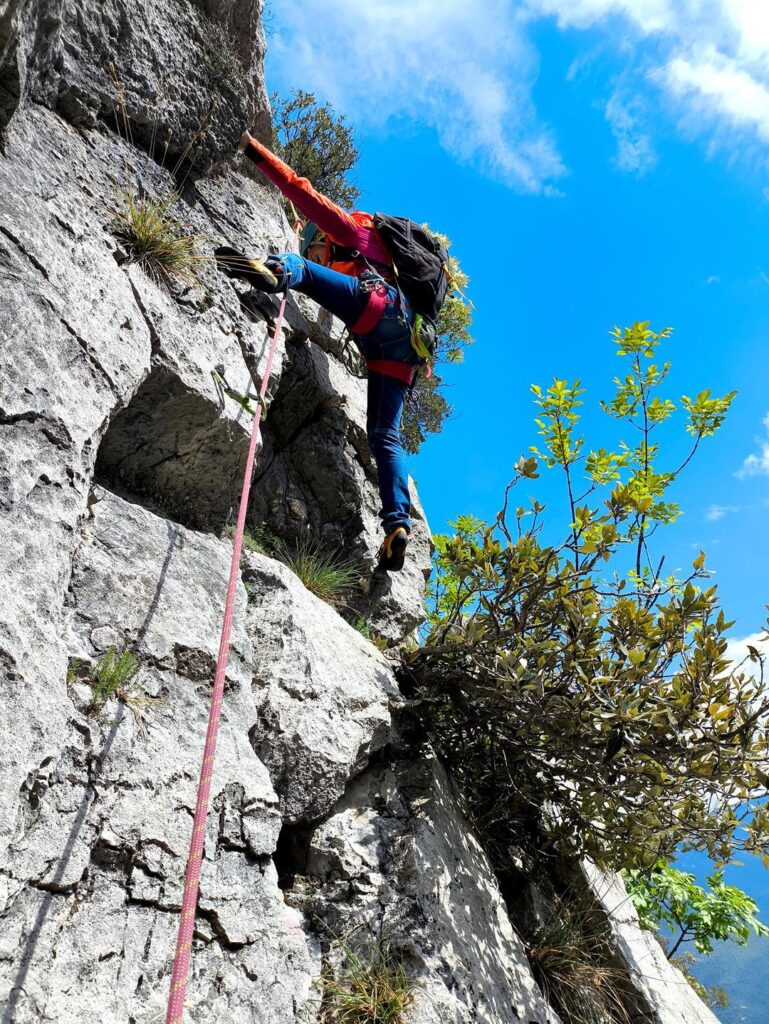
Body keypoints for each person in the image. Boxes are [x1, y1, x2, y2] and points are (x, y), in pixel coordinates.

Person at [215, 131, 421, 572]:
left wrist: (251, 147)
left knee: (302, 272)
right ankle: (396, 525)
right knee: (386, 435)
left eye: (321, 247)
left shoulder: (358, 236)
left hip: (376, 308)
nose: (323, 253)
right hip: (406, 349)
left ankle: (274, 271)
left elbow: (300, 190)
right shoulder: (395, 269)